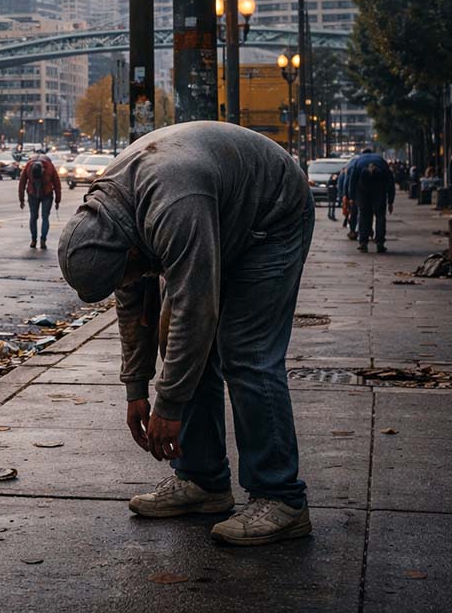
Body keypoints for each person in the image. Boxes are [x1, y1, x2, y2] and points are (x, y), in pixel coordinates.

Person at [57, 121, 314, 546]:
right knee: (181, 345)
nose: (137, 277)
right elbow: (133, 302)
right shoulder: (112, 220)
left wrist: (169, 406)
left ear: (131, 251)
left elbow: (195, 311)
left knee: (246, 354)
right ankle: (203, 481)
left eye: (133, 271)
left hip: (273, 216)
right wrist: (135, 387)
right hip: (222, 212)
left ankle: (281, 498)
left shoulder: (173, 205)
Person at [345, 150, 395, 253]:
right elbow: (390, 182)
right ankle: (380, 243)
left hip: (363, 190)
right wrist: (390, 201)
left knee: (364, 215)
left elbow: (352, 181)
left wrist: (351, 198)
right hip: (379, 190)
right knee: (380, 216)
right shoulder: (381, 161)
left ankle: (363, 242)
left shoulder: (358, 161)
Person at [18, 154, 62, 249]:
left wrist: (57, 200)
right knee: (34, 216)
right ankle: (34, 239)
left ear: (43, 171)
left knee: (44, 217)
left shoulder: (49, 167)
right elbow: (21, 184)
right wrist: (21, 199)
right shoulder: (28, 167)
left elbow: (57, 183)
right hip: (32, 194)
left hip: (46, 194)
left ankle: (43, 240)